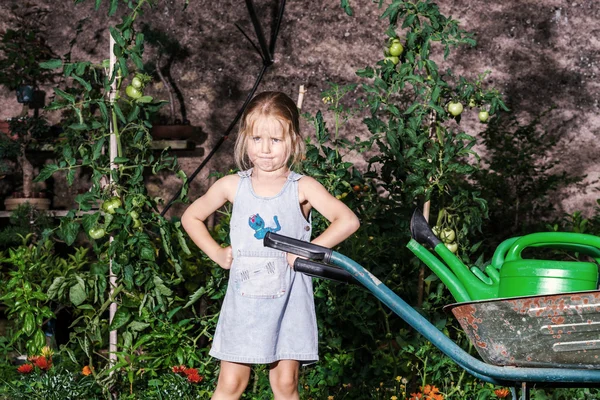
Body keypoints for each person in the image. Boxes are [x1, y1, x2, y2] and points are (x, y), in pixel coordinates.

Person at [181, 91, 360, 400]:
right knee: (230, 385)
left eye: (275, 140)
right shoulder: (232, 185)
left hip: (289, 299)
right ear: (244, 139)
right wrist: (217, 253)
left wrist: (306, 251)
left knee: (285, 385)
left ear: (292, 140)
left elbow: (347, 220)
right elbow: (191, 217)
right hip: (244, 301)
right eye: (256, 139)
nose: (264, 150)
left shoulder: (302, 187)